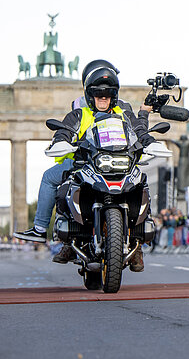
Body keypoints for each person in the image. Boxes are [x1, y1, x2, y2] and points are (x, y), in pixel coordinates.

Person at [14, 59, 165, 272]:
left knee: (141, 182)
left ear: (114, 96)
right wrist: (60, 142)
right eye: (98, 94)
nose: (103, 98)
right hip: (85, 164)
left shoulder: (125, 114)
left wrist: (151, 141)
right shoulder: (79, 113)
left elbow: (139, 131)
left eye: (107, 94)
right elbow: (64, 130)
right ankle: (47, 231)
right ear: (89, 95)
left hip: (119, 164)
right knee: (53, 178)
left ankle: (138, 242)